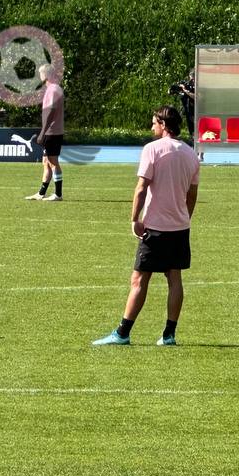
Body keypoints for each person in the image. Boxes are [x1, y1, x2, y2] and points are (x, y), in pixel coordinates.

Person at [93, 105, 201, 347]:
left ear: (163, 125)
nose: (151, 126)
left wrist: (135, 219)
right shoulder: (190, 153)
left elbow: (141, 188)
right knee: (175, 278)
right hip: (180, 227)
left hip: (155, 226)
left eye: (154, 122)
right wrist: (186, 216)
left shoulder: (152, 149)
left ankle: (122, 333)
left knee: (139, 279)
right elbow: (192, 194)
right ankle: (169, 334)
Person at [24, 63, 65, 202]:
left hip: (52, 132)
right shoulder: (52, 89)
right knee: (46, 162)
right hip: (51, 131)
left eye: (40, 73)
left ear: (46, 75)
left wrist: (43, 132)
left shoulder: (53, 89)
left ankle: (58, 194)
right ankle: (41, 193)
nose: (39, 76)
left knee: (53, 162)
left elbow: (51, 110)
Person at [171, 68, 196, 142]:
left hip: (197, 110)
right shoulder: (188, 85)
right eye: (191, 79)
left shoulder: (199, 86)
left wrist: (185, 90)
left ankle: (198, 151)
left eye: (193, 79)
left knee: (197, 130)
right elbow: (172, 91)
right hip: (188, 109)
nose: (192, 81)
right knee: (191, 129)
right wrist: (176, 90)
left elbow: (196, 97)